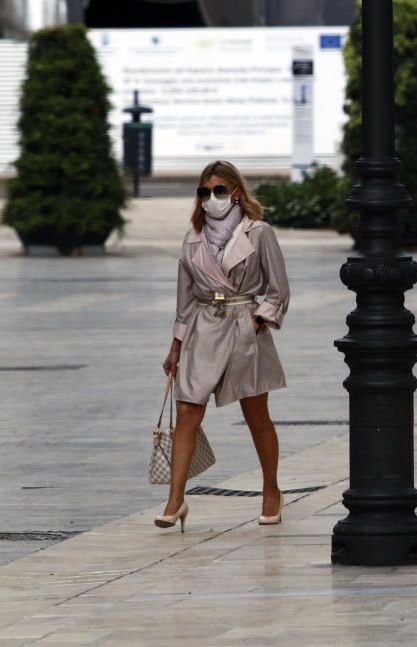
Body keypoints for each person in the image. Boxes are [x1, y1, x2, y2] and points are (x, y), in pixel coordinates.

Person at [156, 160, 290, 531]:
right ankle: (174, 500)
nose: (211, 199)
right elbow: (183, 301)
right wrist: (175, 347)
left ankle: (271, 491)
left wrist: (257, 321)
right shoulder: (192, 239)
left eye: (218, 191)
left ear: (235, 192)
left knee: (256, 414)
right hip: (203, 327)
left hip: (244, 328)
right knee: (187, 412)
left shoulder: (259, 232)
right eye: (204, 192)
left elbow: (278, 288)